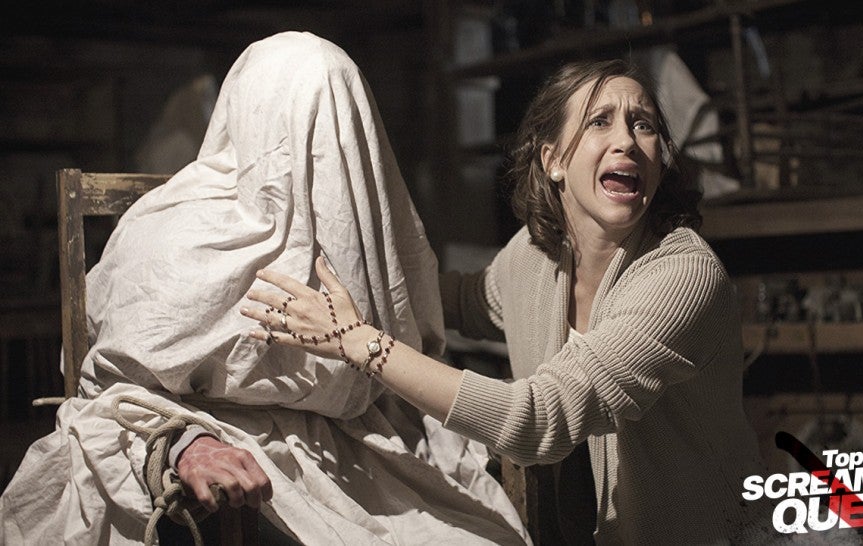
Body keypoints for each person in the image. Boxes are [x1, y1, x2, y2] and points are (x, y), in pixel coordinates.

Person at [0, 32, 528, 545]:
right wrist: (185, 441)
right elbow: (110, 381)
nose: (326, 153)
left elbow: (412, 340)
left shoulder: (365, 234)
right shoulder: (169, 234)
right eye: (308, 127)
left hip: (362, 451)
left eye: (338, 129)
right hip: (219, 444)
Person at [245, 58, 771, 543]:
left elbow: (539, 418)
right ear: (553, 161)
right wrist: (340, 272)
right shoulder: (536, 255)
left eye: (644, 125)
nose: (627, 142)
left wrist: (357, 341)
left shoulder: (682, 275)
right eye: (599, 121)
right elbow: (462, 301)